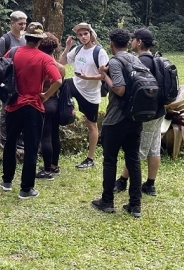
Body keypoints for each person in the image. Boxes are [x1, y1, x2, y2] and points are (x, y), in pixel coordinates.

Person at [0, 22, 62, 199]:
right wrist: (45, 96)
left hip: (13, 105)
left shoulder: (13, 52)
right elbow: (57, 80)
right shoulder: (45, 58)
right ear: (40, 40)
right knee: (31, 147)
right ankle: (26, 189)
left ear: (26, 36)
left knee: (10, 143)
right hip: (33, 106)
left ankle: (7, 181)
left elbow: (1, 68)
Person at [92, 28, 144, 218]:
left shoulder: (115, 62)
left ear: (112, 44)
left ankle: (107, 201)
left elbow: (120, 89)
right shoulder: (134, 59)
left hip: (116, 119)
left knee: (110, 160)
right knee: (133, 160)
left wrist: (104, 75)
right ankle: (135, 205)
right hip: (135, 118)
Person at [114, 28, 164, 197]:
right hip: (159, 111)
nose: (131, 42)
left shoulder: (140, 62)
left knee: (137, 150)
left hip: (146, 113)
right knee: (154, 147)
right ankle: (150, 184)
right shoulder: (155, 59)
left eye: (133, 39)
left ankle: (122, 180)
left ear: (139, 42)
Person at [59, 22, 108, 169]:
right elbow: (61, 63)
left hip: (91, 93)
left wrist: (88, 78)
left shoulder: (99, 52)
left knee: (91, 125)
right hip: (75, 84)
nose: (83, 37)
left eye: (85, 34)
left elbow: (104, 76)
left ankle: (90, 158)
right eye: (80, 35)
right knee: (62, 85)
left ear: (91, 34)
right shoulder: (78, 49)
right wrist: (67, 47)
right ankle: (68, 112)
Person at [35, 33, 66, 181]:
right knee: (54, 134)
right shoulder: (60, 67)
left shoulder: (40, 66)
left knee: (45, 137)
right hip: (56, 102)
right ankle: (54, 164)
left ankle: (47, 170)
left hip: (44, 101)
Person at [0, 11, 27, 147]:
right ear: (12, 23)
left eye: (25, 24)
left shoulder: (26, 39)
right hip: (9, 81)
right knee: (6, 109)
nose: (23, 26)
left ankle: (18, 138)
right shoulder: (4, 40)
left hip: (23, 80)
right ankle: (4, 139)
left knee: (20, 110)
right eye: (20, 24)